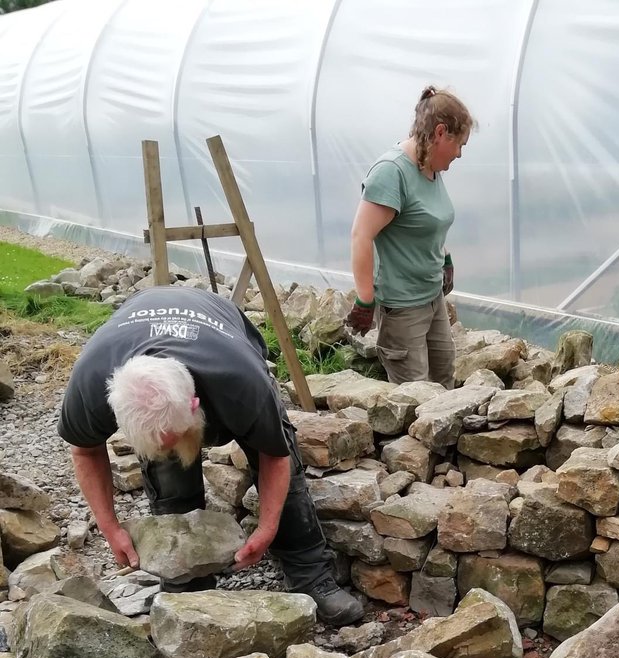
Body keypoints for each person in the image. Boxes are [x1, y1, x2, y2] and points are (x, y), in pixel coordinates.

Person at [58, 285, 364, 625]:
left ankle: (310, 573)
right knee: (167, 467)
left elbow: (275, 457)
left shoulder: (243, 383)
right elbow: (85, 452)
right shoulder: (91, 381)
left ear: (194, 406)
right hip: (142, 335)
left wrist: (266, 528)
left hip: (221, 339)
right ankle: (186, 576)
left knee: (276, 447)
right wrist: (110, 527)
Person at [346, 85, 475, 388]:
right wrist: (365, 300)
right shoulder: (392, 172)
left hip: (432, 297)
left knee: (444, 378)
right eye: (459, 144)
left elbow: (423, 221)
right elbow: (361, 235)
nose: (459, 154)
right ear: (440, 132)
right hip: (402, 307)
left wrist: (444, 257)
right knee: (416, 395)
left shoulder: (430, 167)